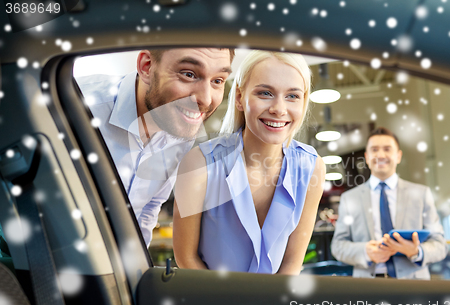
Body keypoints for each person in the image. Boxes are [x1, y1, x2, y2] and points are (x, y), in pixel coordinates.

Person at [172, 50, 325, 275]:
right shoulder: (199, 163)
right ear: (239, 98)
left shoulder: (312, 168)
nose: (279, 109)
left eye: (292, 96)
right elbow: (186, 258)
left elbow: (292, 264)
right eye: (265, 93)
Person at [77, 48, 234, 246]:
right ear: (147, 66)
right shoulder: (77, 108)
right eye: (188, 74)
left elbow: (147, 208)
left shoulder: (179, 126)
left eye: (217, 80)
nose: (206, 99)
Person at [331, 127, 447, 279]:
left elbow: (440, 245)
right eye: (374, 149)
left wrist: (415, 251)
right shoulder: (349, 198)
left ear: (398, 156)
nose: (380, 155)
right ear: (366, 157)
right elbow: (338, 246)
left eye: (387, 149)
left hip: (412, 286)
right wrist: (365, 251)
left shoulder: (421, 194)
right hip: (368, 287)